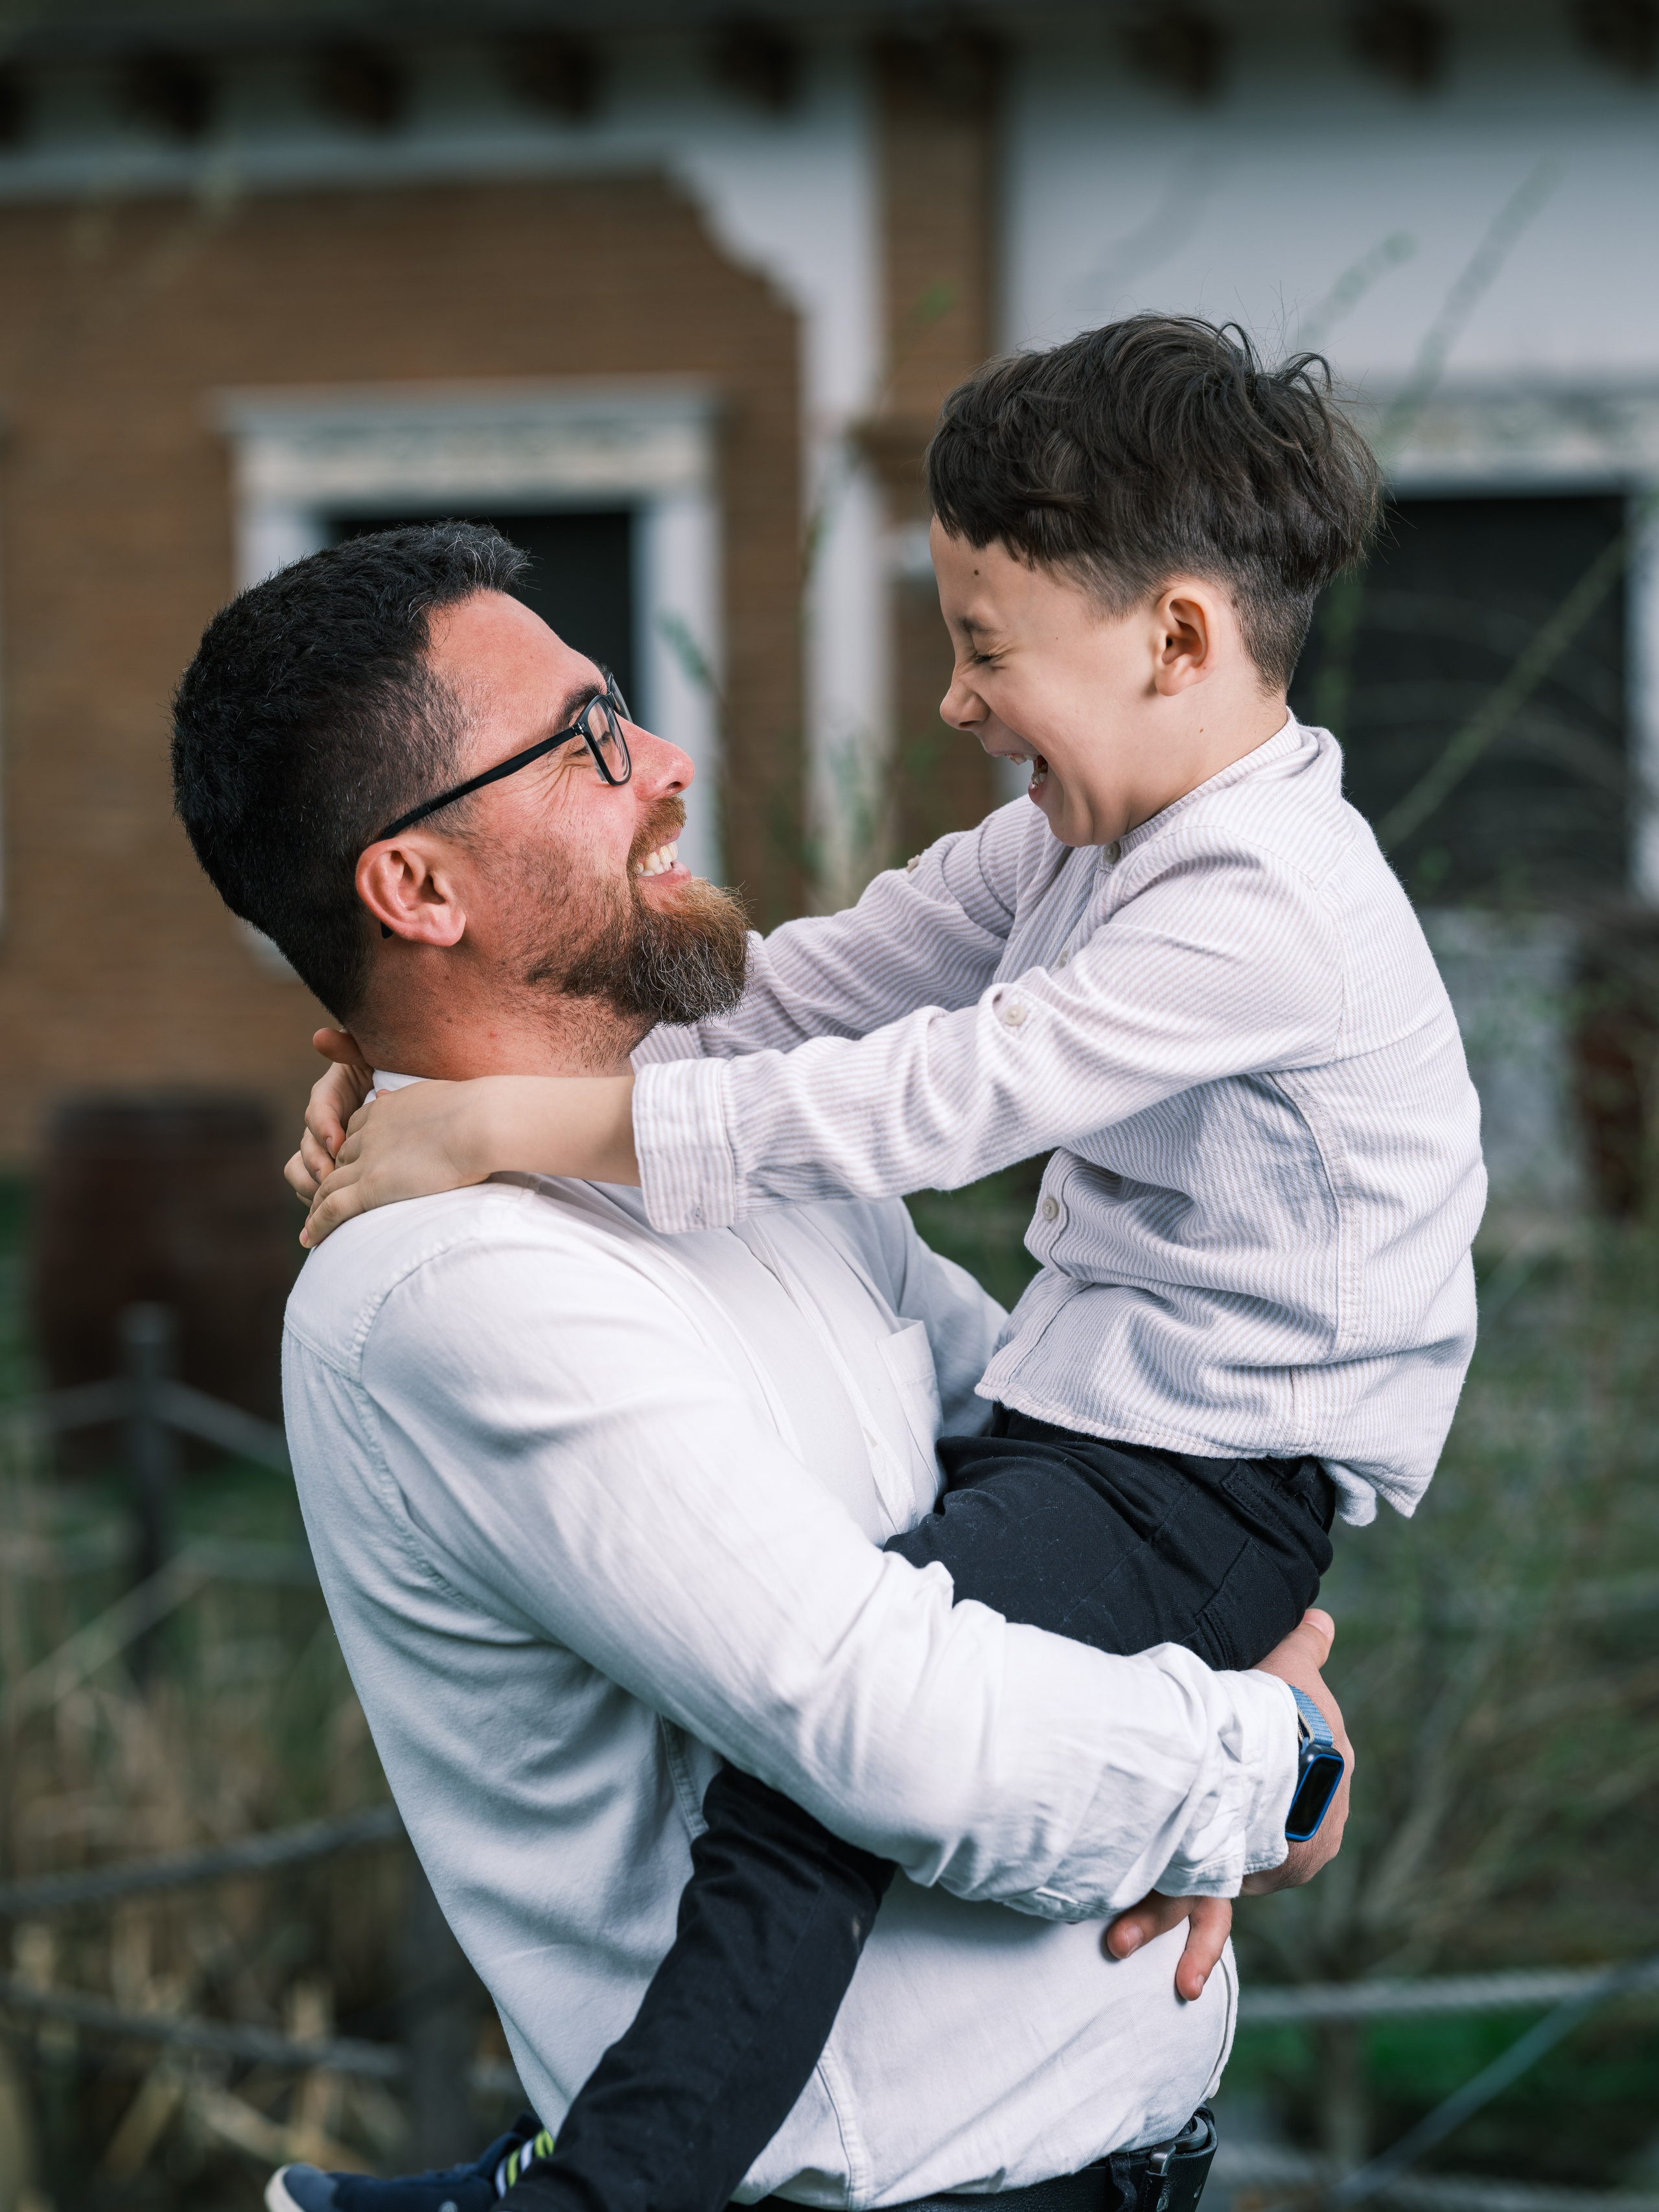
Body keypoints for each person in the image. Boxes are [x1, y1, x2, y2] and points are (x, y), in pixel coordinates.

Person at [284, 323, 1481, 2211]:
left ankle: (589, 2196)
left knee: (796, 1810)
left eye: (987, 647)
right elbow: (813, 988)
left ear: (1176, 641)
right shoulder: (1087, 851)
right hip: (1116, 1454)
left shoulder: (1262, 906)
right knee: (815, 1793)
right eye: (587, 742)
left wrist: (514, 1125)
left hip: (1199, 1489)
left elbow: (936, 1098)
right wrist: (435, 1099)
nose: (952, 700)